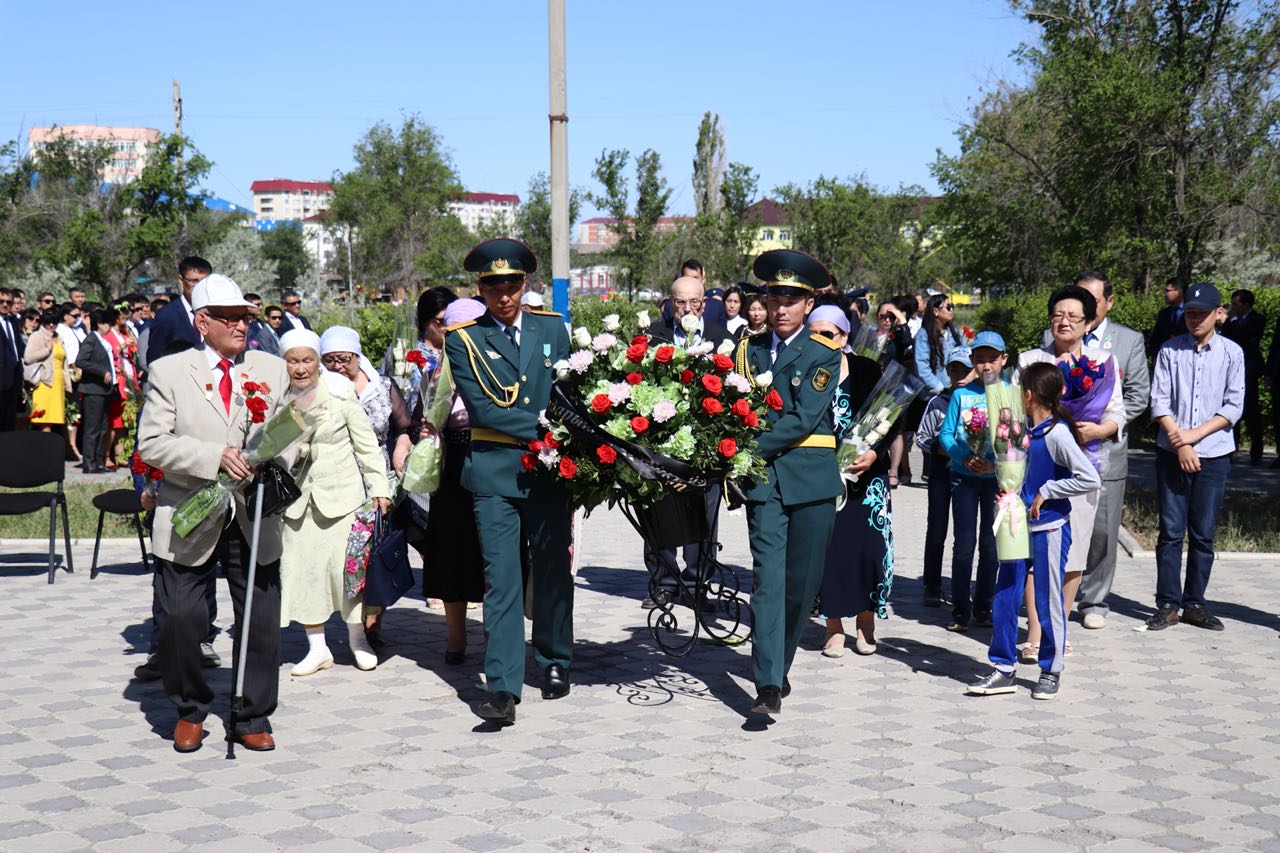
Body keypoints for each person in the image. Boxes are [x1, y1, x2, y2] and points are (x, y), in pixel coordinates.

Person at [136, 274, 290, 752]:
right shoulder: (169, 371)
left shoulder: (271, 368)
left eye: (245, 317)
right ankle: (189, 710)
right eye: (229, 317)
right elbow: (151, 443)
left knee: (259, 618)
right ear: (203, 322)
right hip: (190, 509)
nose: (241, 325)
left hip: (253, 508)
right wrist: (214, 456)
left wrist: (274, 459)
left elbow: (295, 432)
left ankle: (251, 715)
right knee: (182, 618)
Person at [443, 238, 572, 725]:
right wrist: (549, 427)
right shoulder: (464, 340)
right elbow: (483, 410)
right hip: (495, 471)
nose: (504, 295)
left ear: (525, 284)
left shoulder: (551, 328)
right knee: (502, 580)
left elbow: (568, 390)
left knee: (553, 570)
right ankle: (502, 686)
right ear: (480, 289)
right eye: (494, 286)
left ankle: (555, 659)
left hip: (549, 472)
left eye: (512, 284)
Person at [734, 249, 842, 715]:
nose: (781, 309)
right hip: (764, 483)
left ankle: (780, 662)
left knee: (801, 586)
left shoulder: (823, 353)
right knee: (767, 582)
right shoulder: (746, 350)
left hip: (811, 481)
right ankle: (768, 685)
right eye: (775, 298)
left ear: (808, 304)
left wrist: (745, 450)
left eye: (792, 300)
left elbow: (803, 419)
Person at [967, 362, 1101, 700]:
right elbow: (1018, 470)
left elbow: (1089, 478)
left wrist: (1048, 491)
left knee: (1046, 598)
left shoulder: (1057, 433)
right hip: (1016, 523)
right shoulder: (1021, 430)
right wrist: (996, 474)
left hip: (1049, 527)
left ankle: (1051, 669)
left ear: (1027, 395)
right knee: (1005, 594)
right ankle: (1003, 668)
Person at [1015, 285, 1125, 651]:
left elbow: (1117, 412)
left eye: (1073, 316)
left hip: (1083, 466)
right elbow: (1014, 412)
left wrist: (1097, 430)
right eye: (1058, 314)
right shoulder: (1030, 360)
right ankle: (1035, 633)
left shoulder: (1102, 362)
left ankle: (1056, 632)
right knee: (1036, 556)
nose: (1064, 321)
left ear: (1088, 322)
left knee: (1073, 554)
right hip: (1038, 468)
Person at [278, 329, 392, 676]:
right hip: (298, 501)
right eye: (292, 361)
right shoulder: (279, 398)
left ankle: (358, 639)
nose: (300, 368)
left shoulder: (340, 393)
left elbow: (366, 443)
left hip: (343, 497)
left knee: (348, 571)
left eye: (306, 360)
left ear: (318, 362)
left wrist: (380, 487)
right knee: (304, 572)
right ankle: (317, 648)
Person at [1045, 272, 1150, 630]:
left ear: (1108, 302)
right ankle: (1054, 597)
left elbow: (1137, 395)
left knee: (1103, 530)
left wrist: (1102, 426)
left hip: (1104, 449)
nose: (1077, 310)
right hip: (1057, 450)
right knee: (1059, 524)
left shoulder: (1128, 341)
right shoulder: (1051, 339)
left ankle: (1094, 600)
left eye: (1091, 300)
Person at [1147, 283, 1244, 633]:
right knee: (1171, 532)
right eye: (1190, 313)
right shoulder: (1170, 351)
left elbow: (1233, 405)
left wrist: (1195, 436)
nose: (1195, 319)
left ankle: (1195, 603)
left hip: (1214, 454)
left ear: (1219, 314)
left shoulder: (1232, 353)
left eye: (1202, 314)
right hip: (1172, 453)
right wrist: (1181, 443)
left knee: (1202, 534)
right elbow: (1159, 401)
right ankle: (1168, 604)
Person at [642, 275, 731, 605]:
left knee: (703, 517)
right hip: (662, 442)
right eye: (680, 302)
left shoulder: (723, 339)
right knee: (659, 512)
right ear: (670, 303)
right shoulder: (654, 335)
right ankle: (664, 581)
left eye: (694, 302)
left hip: (706, 444)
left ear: (704, 304)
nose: (688, 308)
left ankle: (697, 584)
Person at [811, 306, 895, 659]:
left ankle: (865, 621)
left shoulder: (866, 368)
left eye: (827, 334)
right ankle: (833, 626)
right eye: (813, 334)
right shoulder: (807, 370)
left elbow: (891, 416)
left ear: (844, 336)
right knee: (829, 549)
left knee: (869, 548)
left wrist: (875, 453)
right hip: (822, 476)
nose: (820, 340)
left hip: (867, 477)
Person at [411, 297, 489, 665]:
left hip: (491, 460)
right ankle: (456, 636)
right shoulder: (437, 373)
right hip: (452, 468)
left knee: (492, 551)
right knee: (453, 551)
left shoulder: (496, 367)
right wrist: (427, 428)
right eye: (456, 332)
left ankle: (495, 631)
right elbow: (420, 420)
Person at [938, 331, 1005, 631]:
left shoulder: (1011, 394)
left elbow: (1019, 440)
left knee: (991, 546)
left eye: (992, 359)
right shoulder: (961, 395)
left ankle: (984, 605)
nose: (986, 365)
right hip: (964, 479)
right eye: (979, 359)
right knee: (964, 544)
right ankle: (960, 608)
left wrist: (999, 463)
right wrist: (963, 457)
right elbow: (946, 435)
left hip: (997, 481)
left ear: (1004, 359)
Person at [914, 348, 973, 607]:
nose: (960, 375)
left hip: (969, 475)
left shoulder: (978, 400)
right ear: (947, 371)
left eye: (965, 370)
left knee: (965, 533)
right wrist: (937, 447)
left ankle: (963, 587)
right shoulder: (938, 403)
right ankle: (932, 584)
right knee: (937, 529)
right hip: (941, 472)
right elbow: (921, 437)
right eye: (954, 369)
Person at [384, 286, 457, 414]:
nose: (447, 326)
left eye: (452, 320)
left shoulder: (461, 351)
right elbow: (387, 390)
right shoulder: (403, 351)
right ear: (425, 321)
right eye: (441, 321)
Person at [1221, 289, 1265, 465]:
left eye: (1236, 304)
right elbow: (1225, 339)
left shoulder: (1257, 319)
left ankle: (1256, 452)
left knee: (1251, 411)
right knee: (1230, 407)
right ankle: (1231, 449)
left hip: (1249, 372)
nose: (1233, 307)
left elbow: (1246, 338)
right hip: (1231, 369)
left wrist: (1231, 320)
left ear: (1246, 305)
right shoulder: (1231, 321)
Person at [73, 309, 119, 473]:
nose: (109, 327)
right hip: (93, 389)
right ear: (99, 324)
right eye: (107, 323)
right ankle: (89, 462)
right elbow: (80, 361)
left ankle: (99, 461)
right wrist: (102, 371)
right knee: (92, 428)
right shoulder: (91, 339)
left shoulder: (102, 340)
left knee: (102, 427)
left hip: (104, 390)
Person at [147, 257, 211, 365]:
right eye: (194, 281)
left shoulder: (216, 313)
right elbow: (154, 360)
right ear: (181, 280)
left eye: (205, 281)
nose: (200, 287)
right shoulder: (166, 316)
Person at [913, 294, 963, 399]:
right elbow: (922, 367)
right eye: (948, 307)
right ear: (935, 311)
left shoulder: (956, 333)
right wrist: (939, 388)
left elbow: (965, 357)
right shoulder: (923, 335)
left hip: (955, 392)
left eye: (952, 306)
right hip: (932, 395)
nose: (951, 310)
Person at [1147, 278, 1185, 359]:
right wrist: (1155, 357)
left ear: (1179, 292)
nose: (1165, 294)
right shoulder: (1163, 314)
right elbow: (1155, 339)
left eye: (1168, 291)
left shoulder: (1191, 314)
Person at [0, 288, 21, 430]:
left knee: (10, 423)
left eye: (8, 302)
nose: (5, 305)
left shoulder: (13, 321)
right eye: (1, 301)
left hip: (13, 379)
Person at [244, 292, 281, 356]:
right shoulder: (243, 325)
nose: (261, 307)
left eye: (261, 305)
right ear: (248, 307)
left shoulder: (261, 323)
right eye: (257, 305)